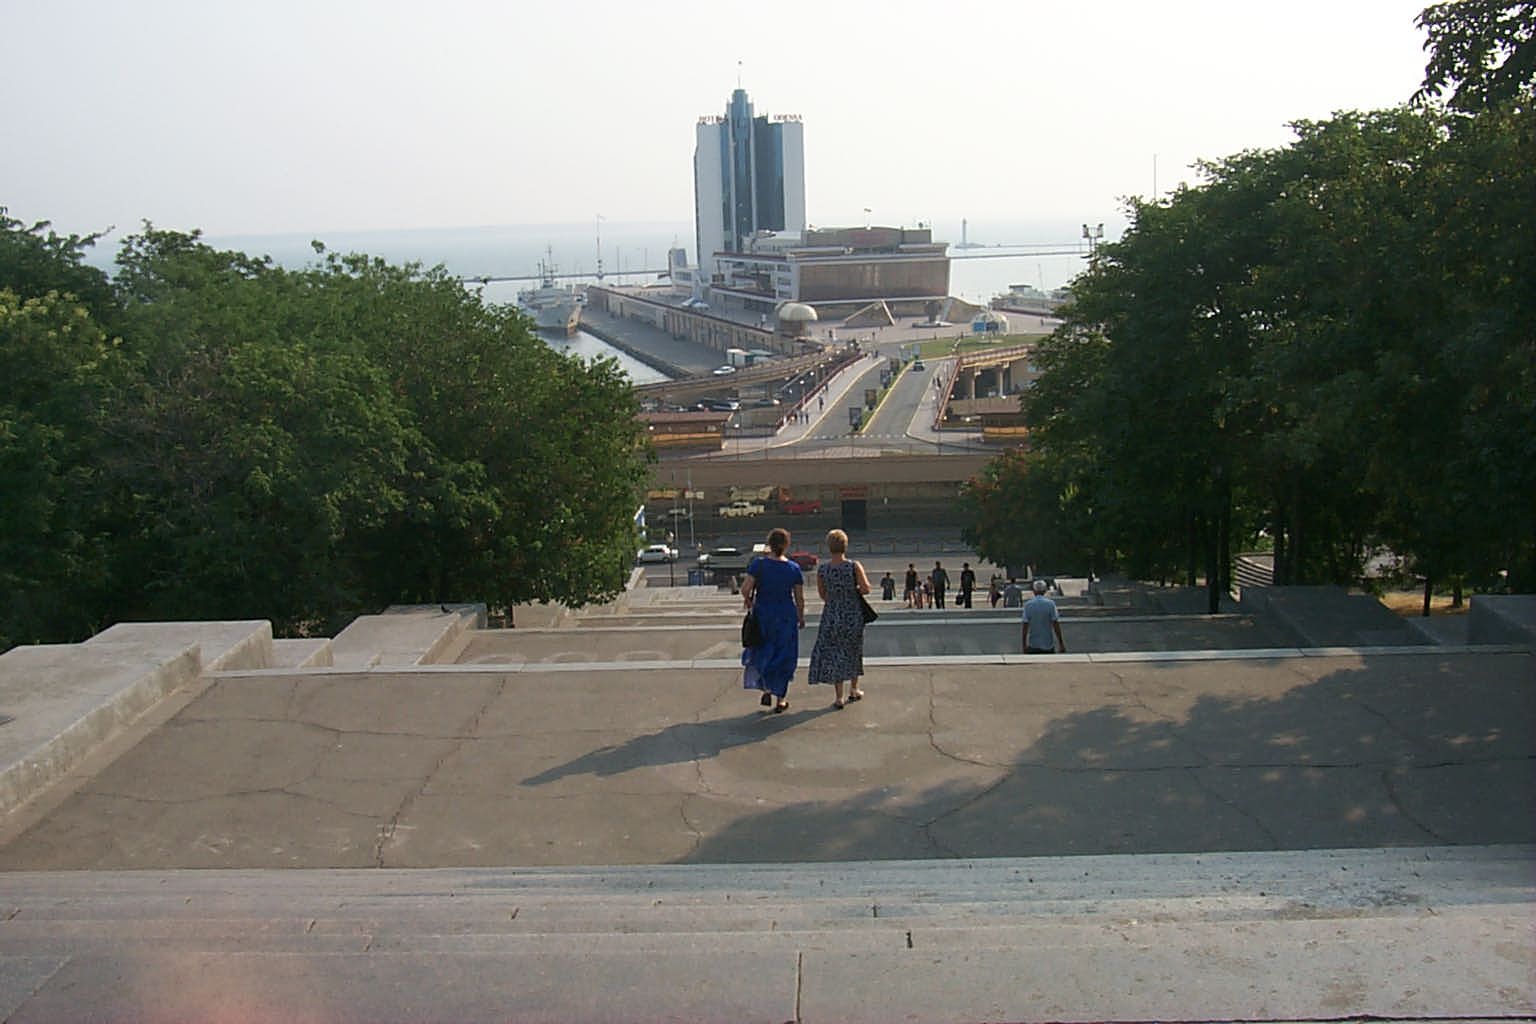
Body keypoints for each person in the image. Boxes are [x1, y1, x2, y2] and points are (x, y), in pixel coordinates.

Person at [740, 528, 806, 712]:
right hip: (785, 616)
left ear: (769, 543)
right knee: (784, 655)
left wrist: (749, 601)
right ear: (786, 545)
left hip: (764, 614)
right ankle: (780, 700)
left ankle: (767, 688)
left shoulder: (758, 565)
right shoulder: (793, 568)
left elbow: (745, 589)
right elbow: (799, 598)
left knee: (764, 651)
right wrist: (800, 617)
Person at [808, 529, 872, 709]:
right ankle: (854, 688)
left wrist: (835, 600)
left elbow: (822, 594)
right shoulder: (853, 566)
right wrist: (852, 592)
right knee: (853, 650)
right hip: (852, 613)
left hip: (831, 614)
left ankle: (839, 697)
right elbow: (866, 589)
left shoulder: (823, 569)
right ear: (845, 545)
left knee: (836, 652)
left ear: (829, 547)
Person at [1022, 578, 1066, 654]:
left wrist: (1024, 645)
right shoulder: (1051, 604)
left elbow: (1025, 627)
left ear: (1034, 591)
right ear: (1045, 591)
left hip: (1033, 644)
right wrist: (1061, 643)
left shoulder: (1028, 605)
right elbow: (1056, 624)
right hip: (1048, 644)